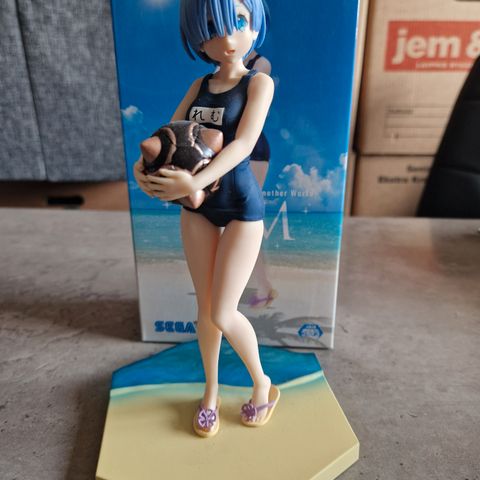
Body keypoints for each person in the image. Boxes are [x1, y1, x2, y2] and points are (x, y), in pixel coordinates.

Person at [133, 0, 279, 438]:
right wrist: (145, 168)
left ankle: (262, 384)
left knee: (223, 312)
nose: (228, 38)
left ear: (254, 24)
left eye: (239, 22)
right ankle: (211, 392)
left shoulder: (258, 83)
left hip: (240, 207)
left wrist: (194, 181)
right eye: (213, 28)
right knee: (204, 311)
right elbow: (168, 135)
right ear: (198, 38)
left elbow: (243, 145)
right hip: (197, 208)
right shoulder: (199, 84)